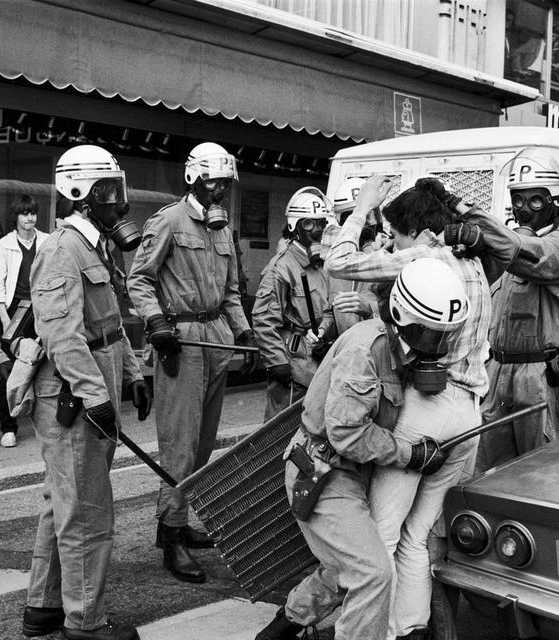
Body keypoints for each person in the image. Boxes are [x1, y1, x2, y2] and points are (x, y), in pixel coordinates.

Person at [254, 259, 472, 640]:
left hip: (348, 471)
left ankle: (284, 626)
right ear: (407, 320)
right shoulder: (365, 349)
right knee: (372, 573)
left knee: (348, 566)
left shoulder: (402, 348)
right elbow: (346, 433)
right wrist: (411, 454)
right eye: (435, 335)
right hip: (322, 470)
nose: (442, 345)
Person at [325, 176, 491, 639]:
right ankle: (412, 629)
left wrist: (361, 208)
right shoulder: (476, 261)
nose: (392, 245)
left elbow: (338, 262)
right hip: (469, 412)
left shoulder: (428, 258)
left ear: (417, 233)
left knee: (382, 536)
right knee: (418, 535)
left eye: (395, 235)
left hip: (427, 409)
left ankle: (377, 632)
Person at [24, 145, 151, 640]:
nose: (122, 205)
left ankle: (44, 607)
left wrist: (135, 374)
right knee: (87, 512)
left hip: (94, 385)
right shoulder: (61, 250)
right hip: (73, 400)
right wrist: (96, 396)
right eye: (113, 194)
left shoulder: (94, 247)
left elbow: (113, 323)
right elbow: (62, 335)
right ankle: (85, 623)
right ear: (84, 193)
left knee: (63, 501)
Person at [127, 142, 257, 583]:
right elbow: (139, 280)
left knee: (202, 447)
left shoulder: (223, 227)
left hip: (217, 340)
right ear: (193, 178)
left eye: (224, 182)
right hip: (179, 342)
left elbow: (232, 291)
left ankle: (181, 521)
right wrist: (156, 322)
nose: (218, 189)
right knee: (179, 449)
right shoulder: (167, 221)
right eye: (211, 180)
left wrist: (243, 331)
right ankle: (171, 537)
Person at [450, 148, 559, 472]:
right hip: (498, 372)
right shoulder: (509, 244)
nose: (525, 209)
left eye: (536, 200)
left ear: (555, 201)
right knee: (483, 472)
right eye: (518, 200)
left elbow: (524, 251)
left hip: (539, 377)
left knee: (542, 472)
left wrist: (468, 213)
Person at [252, 187, 335, 420]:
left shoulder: (320, 266)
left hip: (319, 362)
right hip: (294, 370)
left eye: (321, 223)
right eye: (309, 224)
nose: (317, 230)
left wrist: (325, 334)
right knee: (281, 434)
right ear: (294, 226)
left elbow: (329, 309)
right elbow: (263, 319)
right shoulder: (280, 268)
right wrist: (278, 362)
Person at [0, 194, 48, 447]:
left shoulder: (47, 241)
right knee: (12, 371)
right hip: (14, 312)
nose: (30, 218)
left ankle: (44, 423)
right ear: (16, 217)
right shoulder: (4, 244)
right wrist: (6, 322)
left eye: (33, 213)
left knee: (46, 367)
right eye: (25, 213)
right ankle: (8, 428)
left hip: (43, 309)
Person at [321, 177, 383, 335]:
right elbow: (330, 311)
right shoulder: (335, 265)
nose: (363, 223)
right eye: (353, 216)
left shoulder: (388, 262)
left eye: (369, 215)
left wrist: (370, 310)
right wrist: (322, 331)